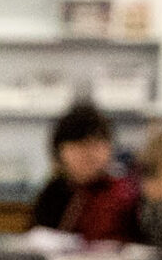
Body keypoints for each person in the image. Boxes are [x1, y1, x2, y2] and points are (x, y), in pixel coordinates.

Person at [30, 103, 138, 243]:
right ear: (59, 151)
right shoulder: (53, 193)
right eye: (79, 144)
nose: (89, 153)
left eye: (97, 144)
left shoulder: (124, 196)